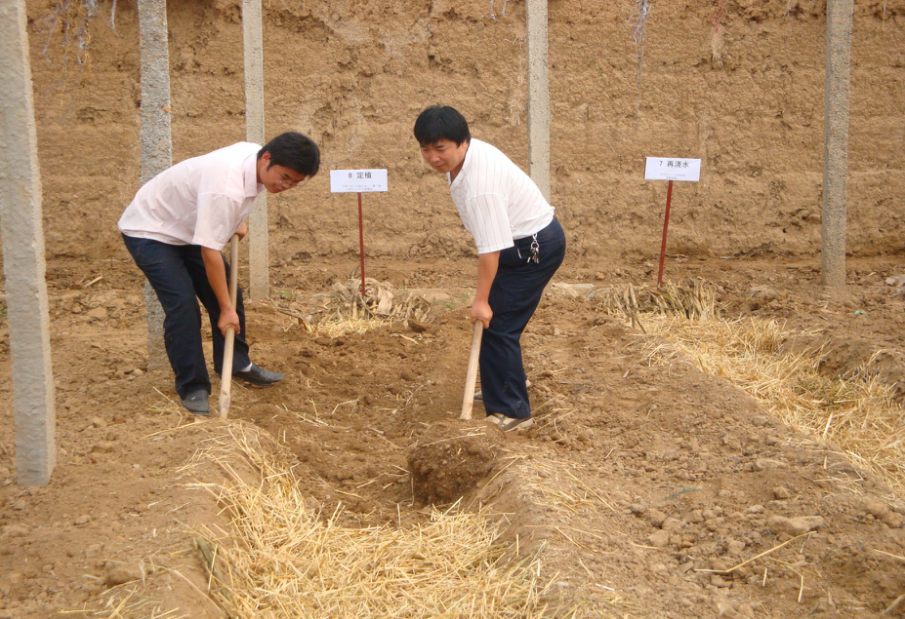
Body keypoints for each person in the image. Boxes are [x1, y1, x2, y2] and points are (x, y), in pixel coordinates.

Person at [119, 131, 320, 415]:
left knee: (229, 290)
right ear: (267, 158)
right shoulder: (225, 188)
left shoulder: (254, 155)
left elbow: (233, 202)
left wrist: (235, 219)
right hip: (151, 229)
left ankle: (238, 364)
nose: (286, 185)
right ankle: (193, 387)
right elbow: (210, 251)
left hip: (188, 225)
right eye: (285, 177)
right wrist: (226, 310)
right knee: (183, 306)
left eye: (295, 183)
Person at [413, 105, 566, 432]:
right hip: (520, 243)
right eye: (426, 149)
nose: (433, 157)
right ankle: (504, 380)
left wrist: (481, 300)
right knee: (500, 320)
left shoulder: (481, 184)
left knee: (497, 324)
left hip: (533, 248)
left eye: (440, 149)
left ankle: (513, 411)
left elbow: (490, 251)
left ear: (462, 143)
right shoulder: (465, 160)